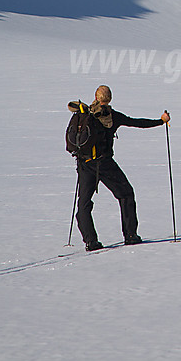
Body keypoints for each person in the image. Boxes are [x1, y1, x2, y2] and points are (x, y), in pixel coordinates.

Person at [68, 85, 170, 251]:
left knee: (84, 203)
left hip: (84, 163)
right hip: (104, 163)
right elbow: (136, 123)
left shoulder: (84, 114)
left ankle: (91, 241)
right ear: (110, 98)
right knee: (126, 194)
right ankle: (130, 236)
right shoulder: (112, 116)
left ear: (96, 97)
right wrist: (161, 121)